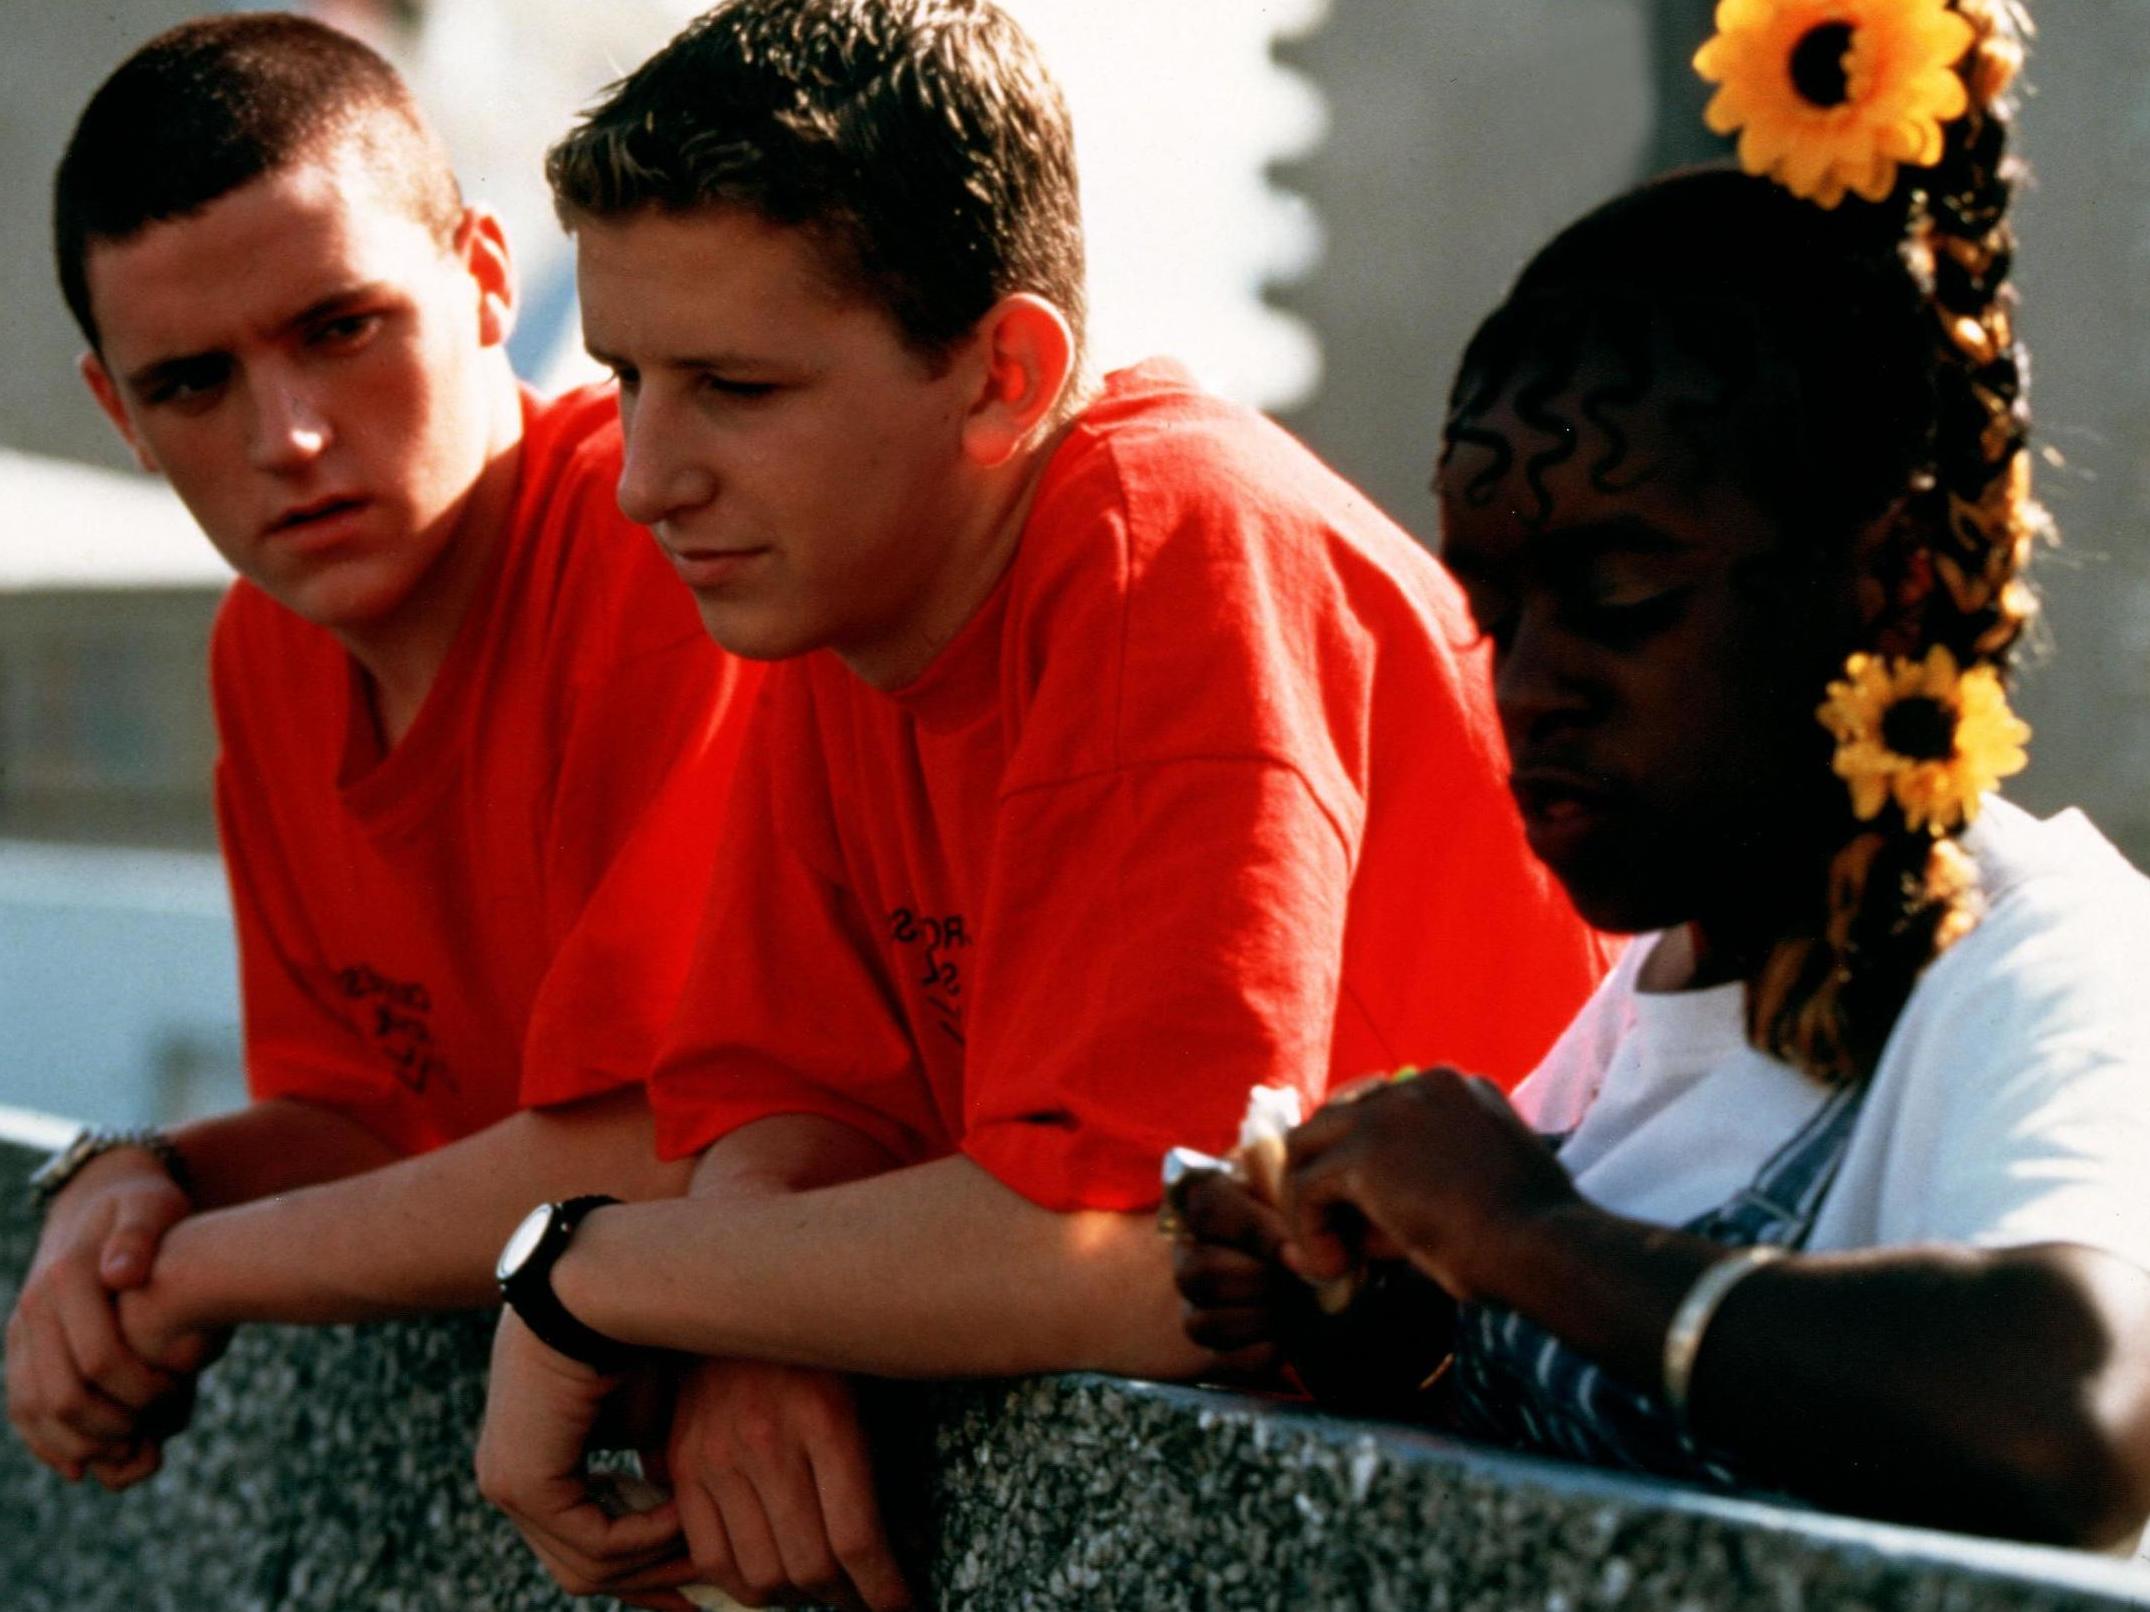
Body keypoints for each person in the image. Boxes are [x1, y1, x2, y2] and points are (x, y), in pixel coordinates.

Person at [469, 2, 1614, 1606]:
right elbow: (777, 1111)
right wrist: (735, 1323)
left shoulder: (1172, 547)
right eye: (625, 379)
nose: (646, 475)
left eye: (731, 386)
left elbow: (1152, 1262)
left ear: (1005, 375)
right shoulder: (841, 586)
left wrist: (578, 1273)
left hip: (1521, 1509)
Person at [1172, 0, 2150, 1552]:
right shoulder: (1642, 1010)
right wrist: (1372, 1325)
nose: (1536, 685)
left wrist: (1524, 1231)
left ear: (1884, 581)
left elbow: (2069, 1427)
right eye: (1494, 616)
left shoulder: (2043, 962)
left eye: (1622, 601)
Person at [6, 13, 761, 1494]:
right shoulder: (265, 646)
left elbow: (672, 1150)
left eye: (338, 329)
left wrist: (196, 1271)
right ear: (123, 418)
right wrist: (129, 1183)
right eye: (192, 385)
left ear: (486, 278)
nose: (286, 438)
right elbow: (369, 1125)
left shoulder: (660, 546)